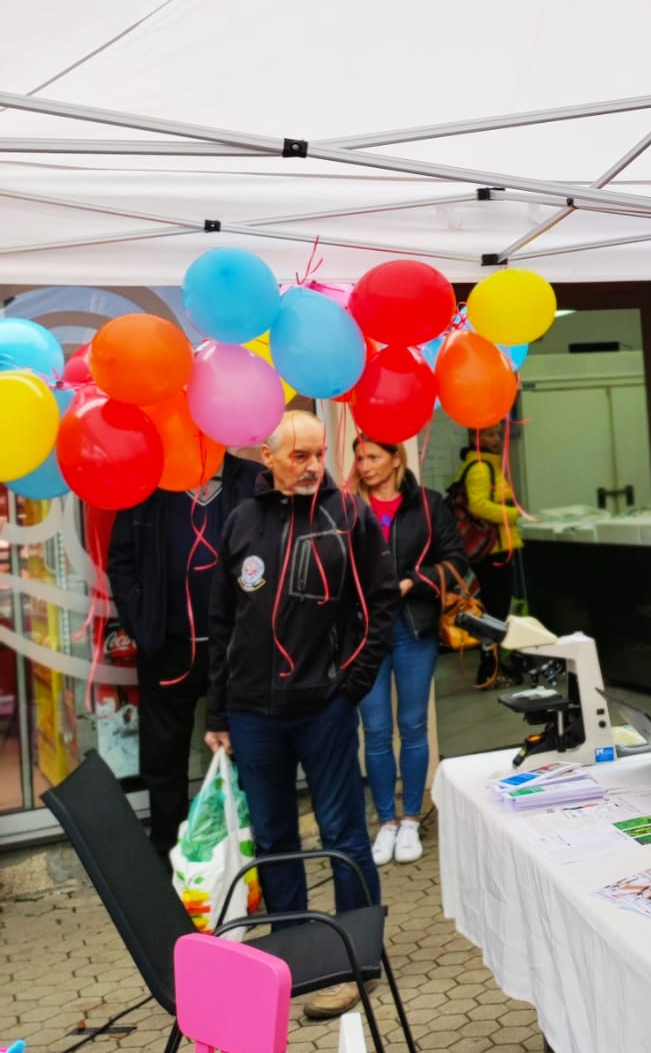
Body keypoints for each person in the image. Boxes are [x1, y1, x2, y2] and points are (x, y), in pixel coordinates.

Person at [206, 411, 396, 1019]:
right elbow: (221, 623)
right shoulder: (240, 521)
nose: (314, 466)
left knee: (343, 836)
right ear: (268, 458)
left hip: (323, 709)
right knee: (274, 840)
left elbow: (380, 610)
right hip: (253, 714)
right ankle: (292, 958)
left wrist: (349, 690)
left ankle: (357, 959)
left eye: (319, 454)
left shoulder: (350, 516)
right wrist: (220, 710)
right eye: (299, 457)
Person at [107, 450, 261, 863]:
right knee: (164, 761)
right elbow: (121, 560)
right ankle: (167, 859)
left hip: (236, 651)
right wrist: (142, 624)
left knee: (247, 751)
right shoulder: (149, 484)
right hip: (168, 648)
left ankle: (247, 852)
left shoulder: (252, 480)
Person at [349, 435, 470, 868]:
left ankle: (412, 819)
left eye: (374, 457)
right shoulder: (346, 505)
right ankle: (385, 821)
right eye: (359, 458)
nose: (364, 465)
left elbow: (457, 560)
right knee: (376, 730)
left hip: (412, 626)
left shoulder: (428, 503)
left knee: (414, 725)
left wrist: (413, 582)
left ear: (396, 458)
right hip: (365, 632)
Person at [454, 423, 522, 688]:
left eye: (496, 434)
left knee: (495, 608)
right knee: (494, 610)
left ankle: (492, 665)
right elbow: (478, 505)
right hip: (492, 549)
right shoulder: (481, 467)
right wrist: (515, 514)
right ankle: (489, 669)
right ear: (474, 438)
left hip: (495, 547)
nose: (496, 439)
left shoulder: (488, 465)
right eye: (490, 435)